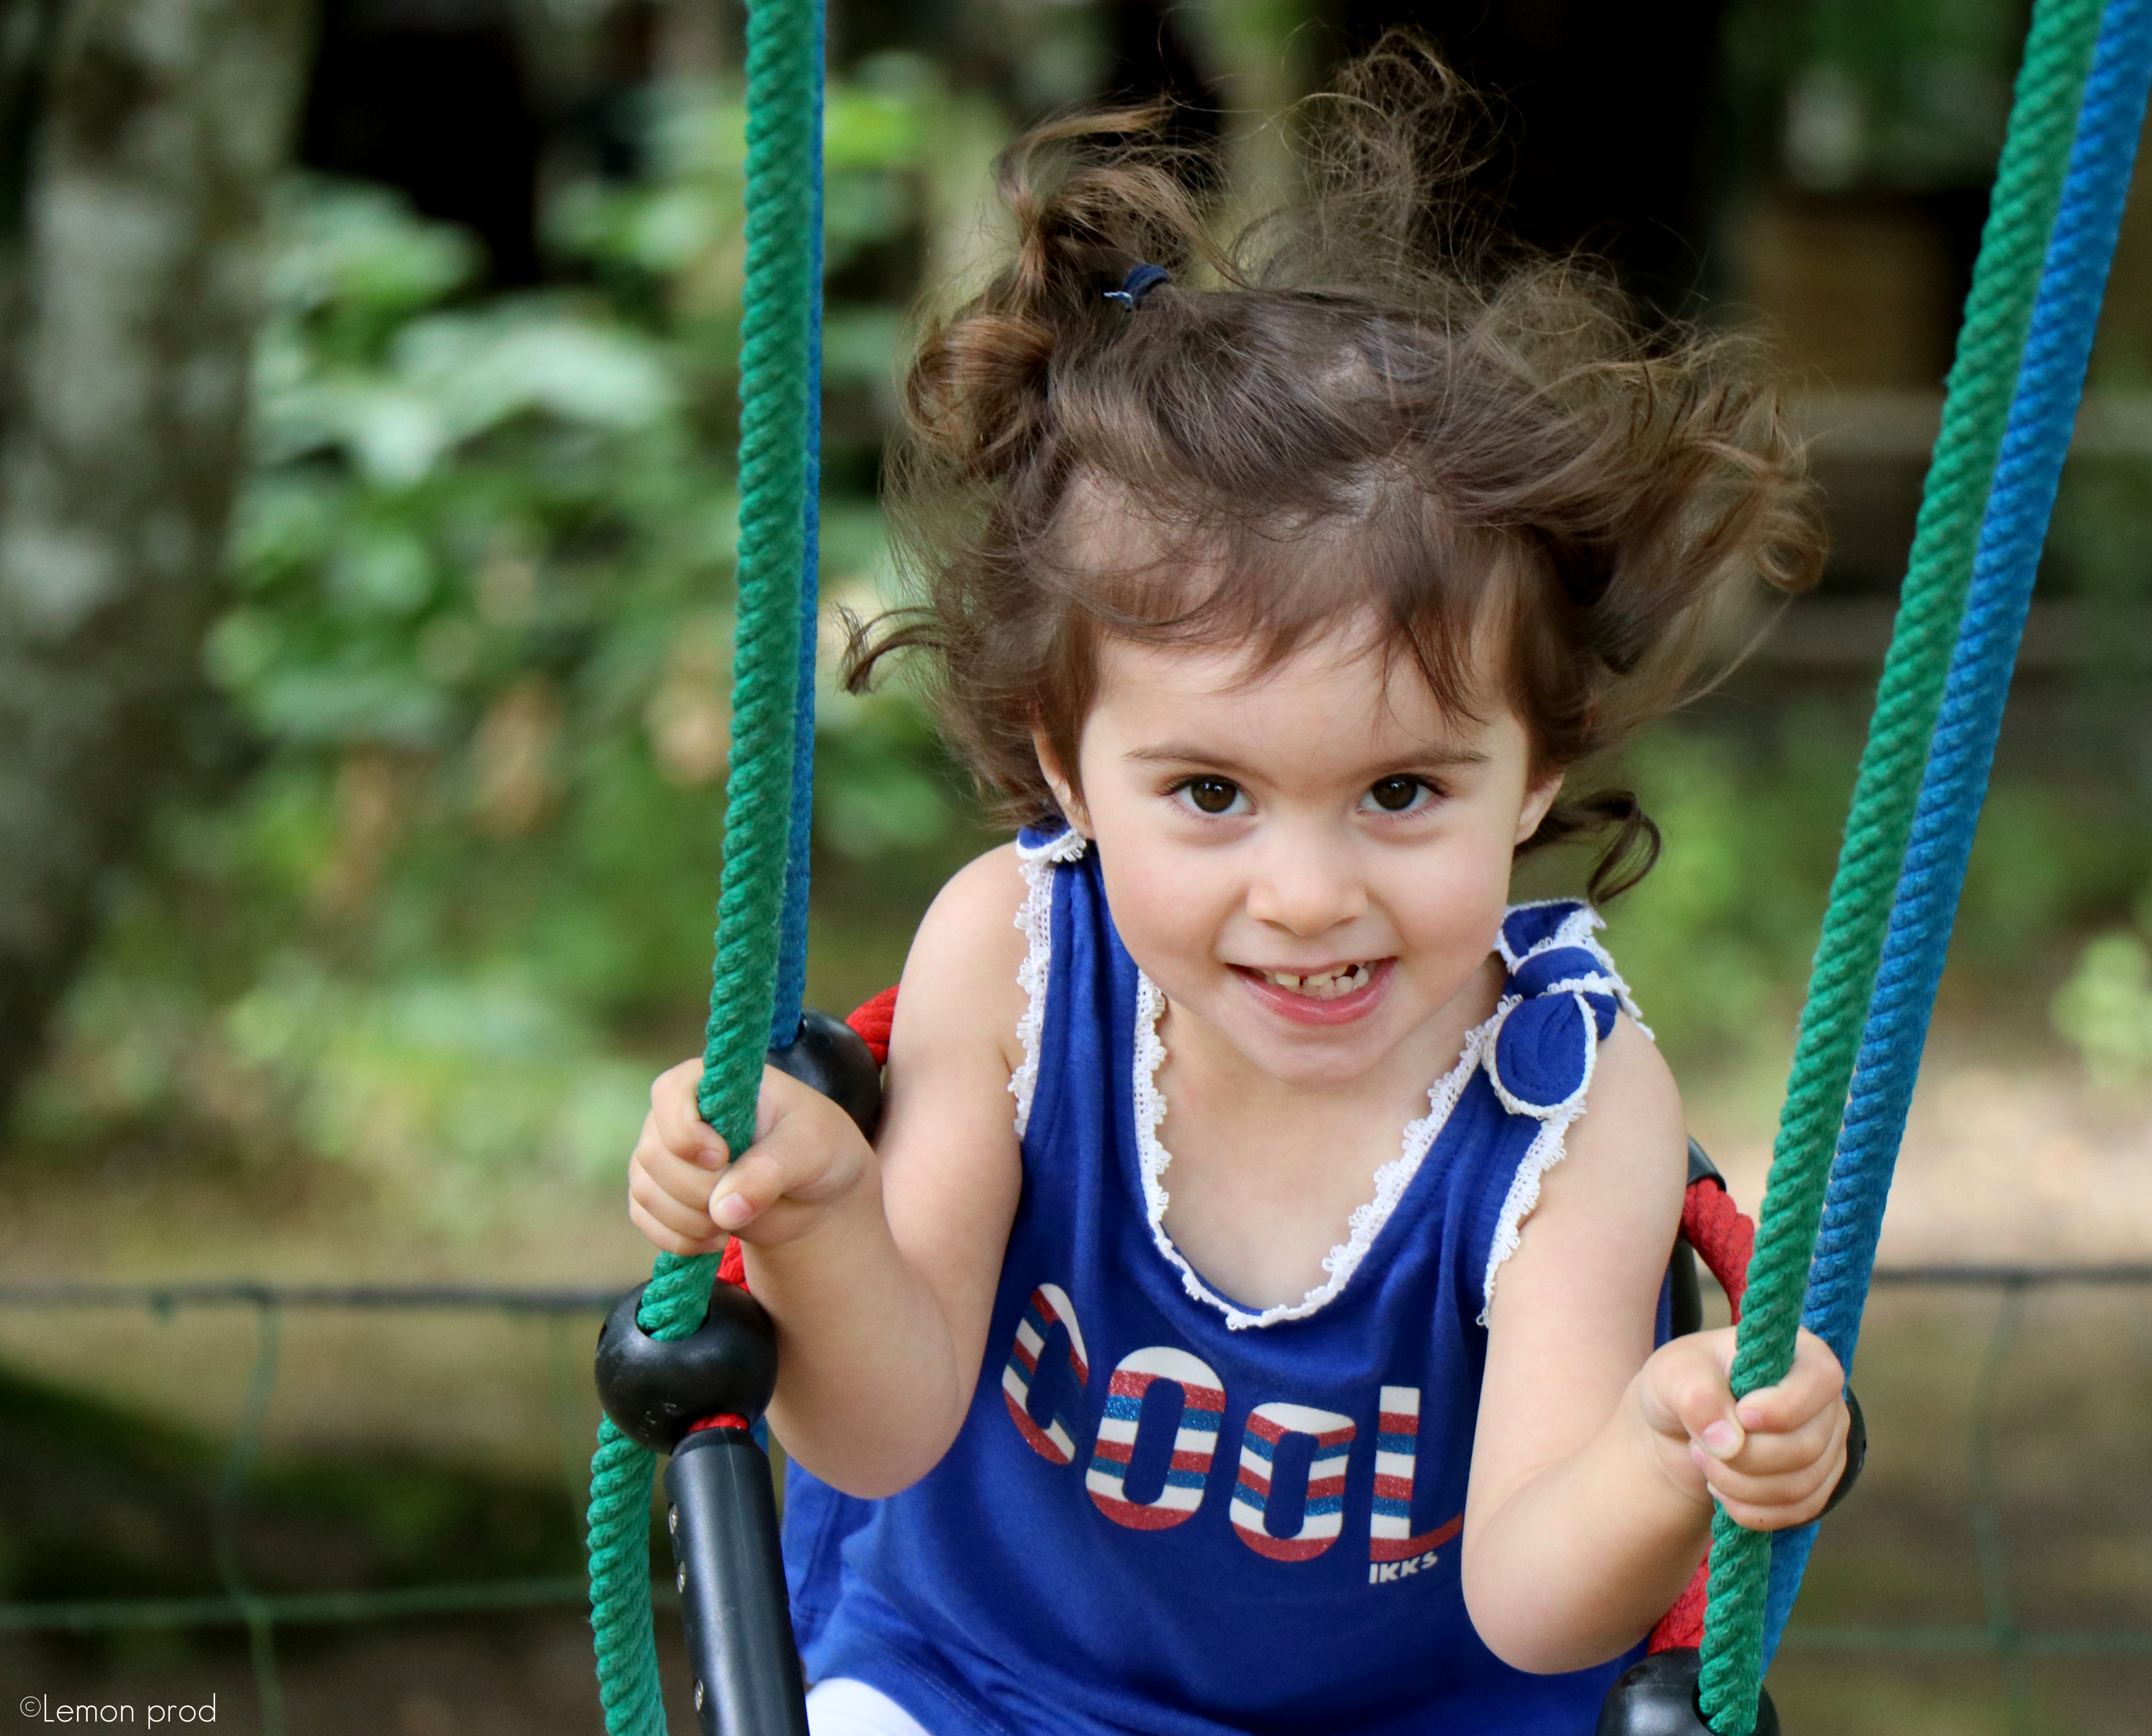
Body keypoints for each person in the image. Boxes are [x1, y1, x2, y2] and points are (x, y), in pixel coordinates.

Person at [627, 42, 1846, 1736]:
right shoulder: (1017, 951)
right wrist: (819, 1214)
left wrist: (1665, 1453)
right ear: (1066, 767)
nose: (1305, 893)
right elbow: (881, 1423)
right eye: (1210, 793)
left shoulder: (1574, 1106)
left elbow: (1534, 1598)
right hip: (987, 1679)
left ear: (1536, 774)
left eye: (1404, 791)